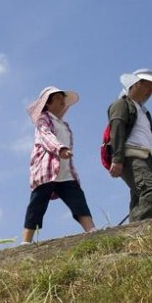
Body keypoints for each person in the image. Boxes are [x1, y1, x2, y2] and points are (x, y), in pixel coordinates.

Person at [21, 86, 96, 244]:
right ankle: (26, 241)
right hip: (46, 171)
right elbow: (46, 136)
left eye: (63, 101)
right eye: (59, 100)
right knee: (38, 204)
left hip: (65, 172)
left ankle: (92, 231)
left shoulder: (64, 125)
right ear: (47, 103)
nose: (63, 103)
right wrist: (60, 149)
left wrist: (65, 153)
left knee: (78, 200)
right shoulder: (44, 120)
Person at [108, 69, 152, 222]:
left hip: (146, 161)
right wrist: (117, 159)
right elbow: (117, 129)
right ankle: (135, 234)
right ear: (137, 84)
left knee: (139, 200)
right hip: (132, 159)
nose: (151, 92)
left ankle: (136, 241)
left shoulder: (144, 113)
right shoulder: (122, 104)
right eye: (149, 86)